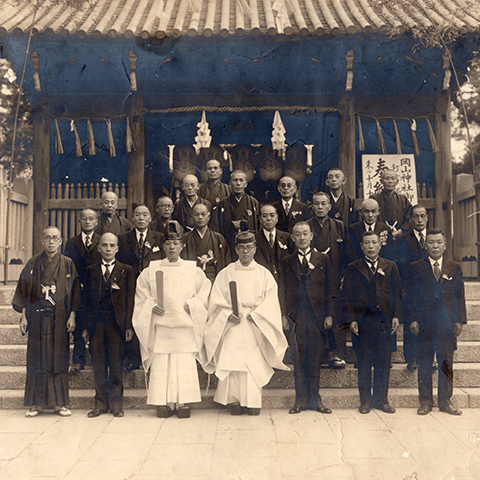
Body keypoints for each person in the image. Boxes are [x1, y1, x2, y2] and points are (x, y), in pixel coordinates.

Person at [204, 231, 288, 415]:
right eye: (241, 248)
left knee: (252, 362)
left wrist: (258, 315)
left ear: (255, 249)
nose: (245, 252)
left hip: (255, 322)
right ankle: (233, 401)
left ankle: (252, 400)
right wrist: (227, 315)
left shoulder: (263, 274)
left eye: (249, 248)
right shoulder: (226, 273)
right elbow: (216, 299)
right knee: (233, 360)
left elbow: (271, 300)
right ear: (236, 250)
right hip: (233, 322)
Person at [133, 222, 211, 419]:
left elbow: (205, 292)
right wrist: (151, 307)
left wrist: (194, 304)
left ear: (182, 246)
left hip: (184, 323)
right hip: (161, 324)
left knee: (183, 362)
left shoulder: (193, 270)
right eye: (168, 243)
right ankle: (164, 402)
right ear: (163, 246)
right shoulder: (151, 269)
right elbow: (142, 295)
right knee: (162, 362)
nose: (171, 248)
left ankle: (183, 402)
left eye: (175, 243)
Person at [13, 226, 81, 417]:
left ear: (60, 241)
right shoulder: (33, 263)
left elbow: (75, 291)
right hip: (36, 318)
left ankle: (59, 404)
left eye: (55, 238)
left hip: (59, 319)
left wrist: (73, 315)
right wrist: (23, 316)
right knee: (37, 359)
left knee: (58, 359)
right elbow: (24, 292)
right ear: (42, 240)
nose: (51, 242)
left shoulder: (68, 264)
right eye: (48, 238)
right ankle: (37, 404)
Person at [408, 229, 467, 416]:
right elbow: (410, 297)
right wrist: (413, 319)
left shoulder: (453, 267)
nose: (435, 246)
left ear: (445, 245)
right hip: (424, 323)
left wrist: (459, 320)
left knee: (446, 362)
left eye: (438, 242)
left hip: (446, 323)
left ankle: (445, 401)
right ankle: (425, 401)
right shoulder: (416, 267)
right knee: (425, 361)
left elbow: (460, 296)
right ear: (425, 245)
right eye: (431, 242)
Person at [343, 231, 401, 414]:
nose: (370, 246)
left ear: (380, 245)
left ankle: (382, 400)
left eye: (374, 242)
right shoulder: (353, 267)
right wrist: (352, 319)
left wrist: (396, 316)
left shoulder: (390, 266)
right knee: (364, 363)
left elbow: (398, 294)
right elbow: (347, 296)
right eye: (366, 243)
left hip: (383, 321)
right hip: (363, 321)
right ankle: (365, 401)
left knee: (383, 362)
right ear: (361, 246)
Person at [280, 222, 335, 415]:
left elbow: (330, 287)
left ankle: (316, 400)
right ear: (293, 238)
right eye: (297, 235)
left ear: (311, 236)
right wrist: (284, 315)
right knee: (298, 358)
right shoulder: (287, 261)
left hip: (316, 316)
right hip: (296, 316)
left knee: (315, 359)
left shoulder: (323, 259)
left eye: (305, 234)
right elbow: (283, 289)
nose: (302, 238)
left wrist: (329, 314)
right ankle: (300, 400)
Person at [82, 233, 135, 418]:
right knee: (98, 364)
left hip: (117, 325)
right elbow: (86, 301)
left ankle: (116, 404)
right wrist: (86, 328)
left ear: (117, 248)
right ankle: (100, 404)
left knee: (115, 364)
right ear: (98, 248)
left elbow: (129, 300)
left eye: (112, 245)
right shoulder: (90, 270)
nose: (108, 249)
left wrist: (128, 326)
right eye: (104, 245)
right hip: (97, 324)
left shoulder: (126, 270)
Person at [307, 191, 355, 369]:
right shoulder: (306, 227)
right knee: (316, 315)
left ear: (329, 206)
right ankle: (318, 354)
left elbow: (348, 254)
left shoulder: (339, 226)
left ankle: (336, 354)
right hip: (313, 280)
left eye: (323, 204)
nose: (320, 207)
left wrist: (345, 277)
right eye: (316, 204)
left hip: (335, 279)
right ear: (312, 207)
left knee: (336, 315)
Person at [118, 205, 164, 372]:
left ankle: (151, 355)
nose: (141, 218)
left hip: (150, 286)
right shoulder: (123, 238)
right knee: (132, 318)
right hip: (129, 285)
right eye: (137, 215)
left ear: (150, 218)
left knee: (150, 318)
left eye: (145, 214)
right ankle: (132, 357)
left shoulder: (159, 238)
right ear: (132, 218)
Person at [64, 208, 102, 372]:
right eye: (84, 219)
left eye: (91, 218)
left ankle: (96, 357)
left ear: (96, 222)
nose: (87, 221)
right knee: (79, 323)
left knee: (95, 323)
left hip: (96, 289)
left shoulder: (102, 241)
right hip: (78, 289)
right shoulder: (71, 243)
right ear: (79, 221)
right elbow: (67, 266)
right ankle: (78, 359)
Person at [397, 205, 429, 372]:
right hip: (411, 286)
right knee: (412, 321)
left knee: (429, 323)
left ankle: (429, 358)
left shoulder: (433, 238)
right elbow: (400, 265)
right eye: (416, 216)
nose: (419, 220)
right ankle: (412, 358)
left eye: (422, 216)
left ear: (427, 218)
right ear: (410, 219)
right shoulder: (403, 239)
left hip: (430, 287)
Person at [210, 170, 260, 253]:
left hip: (248, 247)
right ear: (230, 184)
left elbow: (259, 228)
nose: (238, 183)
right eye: (235, 180)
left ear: (246, 184)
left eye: (241, 180)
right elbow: (215, 229)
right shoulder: (222, 204)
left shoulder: (253, 203)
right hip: (228, 246)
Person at [182, 203, 230, 283]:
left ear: (208, 217)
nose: (200, 217)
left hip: (214, 281)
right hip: (192, 281)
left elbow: (226, 263)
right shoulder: (185, 238)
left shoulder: (218, 238)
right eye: (196, 215)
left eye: (203, 214)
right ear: (192, 217)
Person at [254, 204, 291, 284]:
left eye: (272, 215)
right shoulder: (254, 239)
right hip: (262, 282)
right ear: (260, 219)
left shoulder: (287, 238)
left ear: (277, 218)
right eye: (264, 216)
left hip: (284, 283)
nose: (268, 219)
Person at [370, 169, 412, 238]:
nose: (390, 181)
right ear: (381, 181)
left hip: (399, 235)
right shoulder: (374, 198)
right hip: (379, 235)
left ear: (397, 181)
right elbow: (370, 216)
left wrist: (401, 231)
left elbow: (409, 216)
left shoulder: (403, 199)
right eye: (387, 178)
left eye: (393, 179)